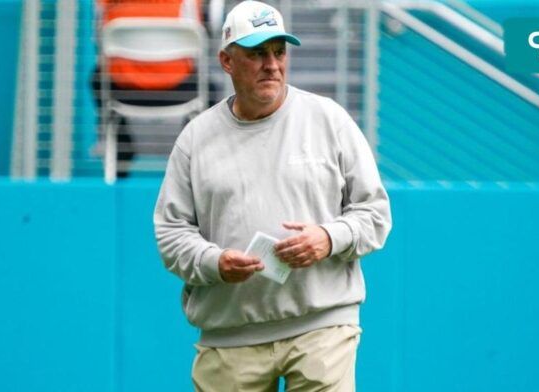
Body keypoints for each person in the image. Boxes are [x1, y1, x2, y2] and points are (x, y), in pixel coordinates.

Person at [153, 1, 391, 390]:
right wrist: (215, 262)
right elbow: (171, 233)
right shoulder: (195, 139)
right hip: (230, 334)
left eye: (279, 52)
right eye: (257, 53)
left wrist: (329, 239)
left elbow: (375, 213)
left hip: (322, 326)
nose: (272, 64)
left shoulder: (328, 119)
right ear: (227, 62)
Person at [91, 0, 205, 177]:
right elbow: (199, 39)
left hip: (124, 91)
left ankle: (121, 147)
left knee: (97, 77)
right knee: (210, 89)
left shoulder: (107, 3)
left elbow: (99, 39)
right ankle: (190, 152)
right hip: (177, 89)